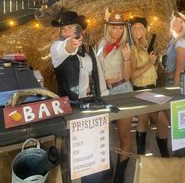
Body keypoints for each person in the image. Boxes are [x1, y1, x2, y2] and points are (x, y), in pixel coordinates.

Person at [50, 10, 108, 183]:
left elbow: (99, 75)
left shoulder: (89, 49)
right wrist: (71, 43)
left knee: (96, 149)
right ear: (61, 32)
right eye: (65, 29)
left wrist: (104, 96)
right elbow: (66, 47)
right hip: (70, 105)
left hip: (91, 103)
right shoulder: (56, 48)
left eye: (73, 28)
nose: (69, 32)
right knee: (78, 152)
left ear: (80, 30)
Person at [97, 10, 133, 183]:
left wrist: (127, 59)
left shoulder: (126, 46)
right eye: (113, 27)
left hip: (122, 90)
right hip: (104, 92)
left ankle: (120, 175)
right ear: (108, 27)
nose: (116, 31)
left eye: (120, 28)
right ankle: (107, 167)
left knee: (124, 136)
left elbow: (127, 76)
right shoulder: (101, 43)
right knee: (104, 133)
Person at [157, 10, 185, 157]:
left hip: (175, 82)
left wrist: (174, 91)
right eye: (174, 19)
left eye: (179, 21)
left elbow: (179, 68)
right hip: (170, 81)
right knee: (162, 121)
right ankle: (165, 157)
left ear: (184, 25)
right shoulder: (173, 40)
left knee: (177, 123)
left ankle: (184, 156)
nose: (175, 22)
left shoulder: (180, 41)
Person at [130, 16, 169, 157]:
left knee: (143, 121)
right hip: (141, 89)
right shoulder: (132, 48)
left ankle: (144, 158)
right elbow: (132, 75)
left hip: (151, 87)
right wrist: (150, 63)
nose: (138, 30)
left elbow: (150, 69)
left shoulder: (145, 46)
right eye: (135, 28)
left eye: (141, 27)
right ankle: (163, 156)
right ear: (131, 31)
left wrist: (155, 64)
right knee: (162, 122)